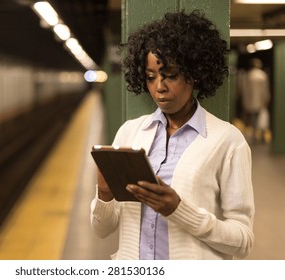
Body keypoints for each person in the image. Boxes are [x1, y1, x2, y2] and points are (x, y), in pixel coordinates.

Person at [90, 10, 255, 260]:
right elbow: (102, 230)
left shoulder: (228, 141)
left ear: (194, 73)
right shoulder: (130, 132)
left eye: (171, 75)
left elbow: (242, 241)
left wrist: (179, 210)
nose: (159, 87)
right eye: (150, 77)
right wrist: (104, 194)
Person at [240, 58, 271, 143]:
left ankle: (254, 136)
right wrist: (266, 100)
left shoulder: (248, 75)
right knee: (262, 120)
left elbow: (245, 90)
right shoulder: (263, 75)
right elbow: (265, 89)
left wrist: (245, 103)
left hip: (250, 102)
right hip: (261, 101)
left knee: (253, 120)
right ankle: (262, 136)